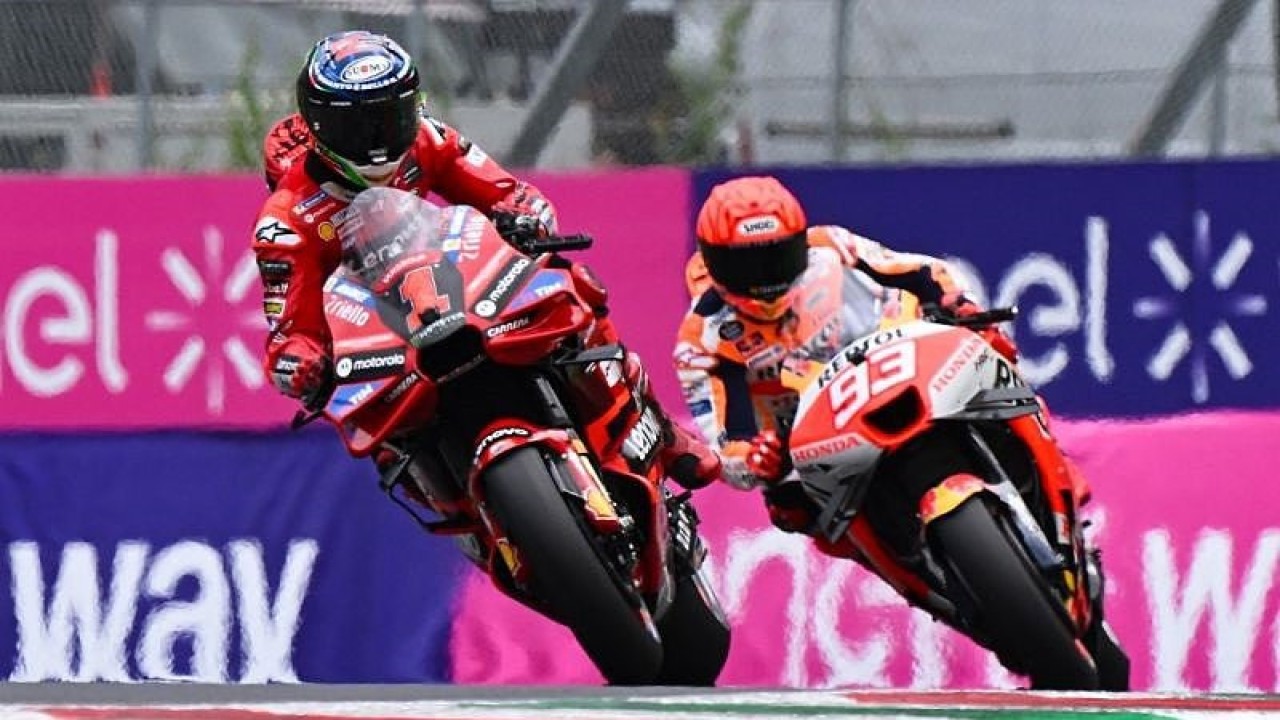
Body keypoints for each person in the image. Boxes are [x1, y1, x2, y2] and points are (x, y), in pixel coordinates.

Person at [252, 30, 719, 489]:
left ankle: (655, 425)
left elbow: (506, 194)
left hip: (452, 291)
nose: (377, 139)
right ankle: (462, 506)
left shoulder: (429, 140)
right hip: (378, 338)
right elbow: (291, 332)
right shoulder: (286, 221)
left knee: (567, 283)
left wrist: (524, 217)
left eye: (390, 116)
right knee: (377, 434)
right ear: (317, 129)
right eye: (355, 127)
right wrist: (302, 363)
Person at [673, 175, 1024, 544]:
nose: (766, 278)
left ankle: (1053, 470)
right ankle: (913, 570)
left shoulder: (830, 245)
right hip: (813, 440)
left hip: (895, 363)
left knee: (990, 355)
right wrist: (756, 460)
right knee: (789, 508)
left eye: (778, 257)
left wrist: (957, 302)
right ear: (714, 266)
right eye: (746, 268)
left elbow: (918, 271)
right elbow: (728, 442)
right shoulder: (701, 338)